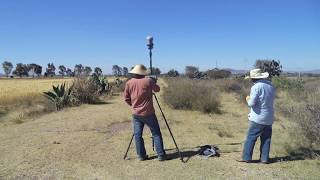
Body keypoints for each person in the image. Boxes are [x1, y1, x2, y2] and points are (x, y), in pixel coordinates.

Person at [124, 64, 166, 161]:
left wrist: (134, 105)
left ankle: (141, 156)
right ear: (143, 73)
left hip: (136, 114)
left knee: (138, 135)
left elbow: (126, 98)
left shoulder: (129, 83)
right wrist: (153, 81)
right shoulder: (148, 81)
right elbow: (157, 89)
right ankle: (161, 155)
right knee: (156, 133)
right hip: (149, 113)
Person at [240, 68, 275, 164]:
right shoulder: (270, 86)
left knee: (251, 137)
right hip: (269, 117)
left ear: (254, 78)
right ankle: (264, 159)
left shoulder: (256, 87)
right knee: (266, 139)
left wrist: (247, 98)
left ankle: (246, 158)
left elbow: (251, 103)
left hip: (258, 117)